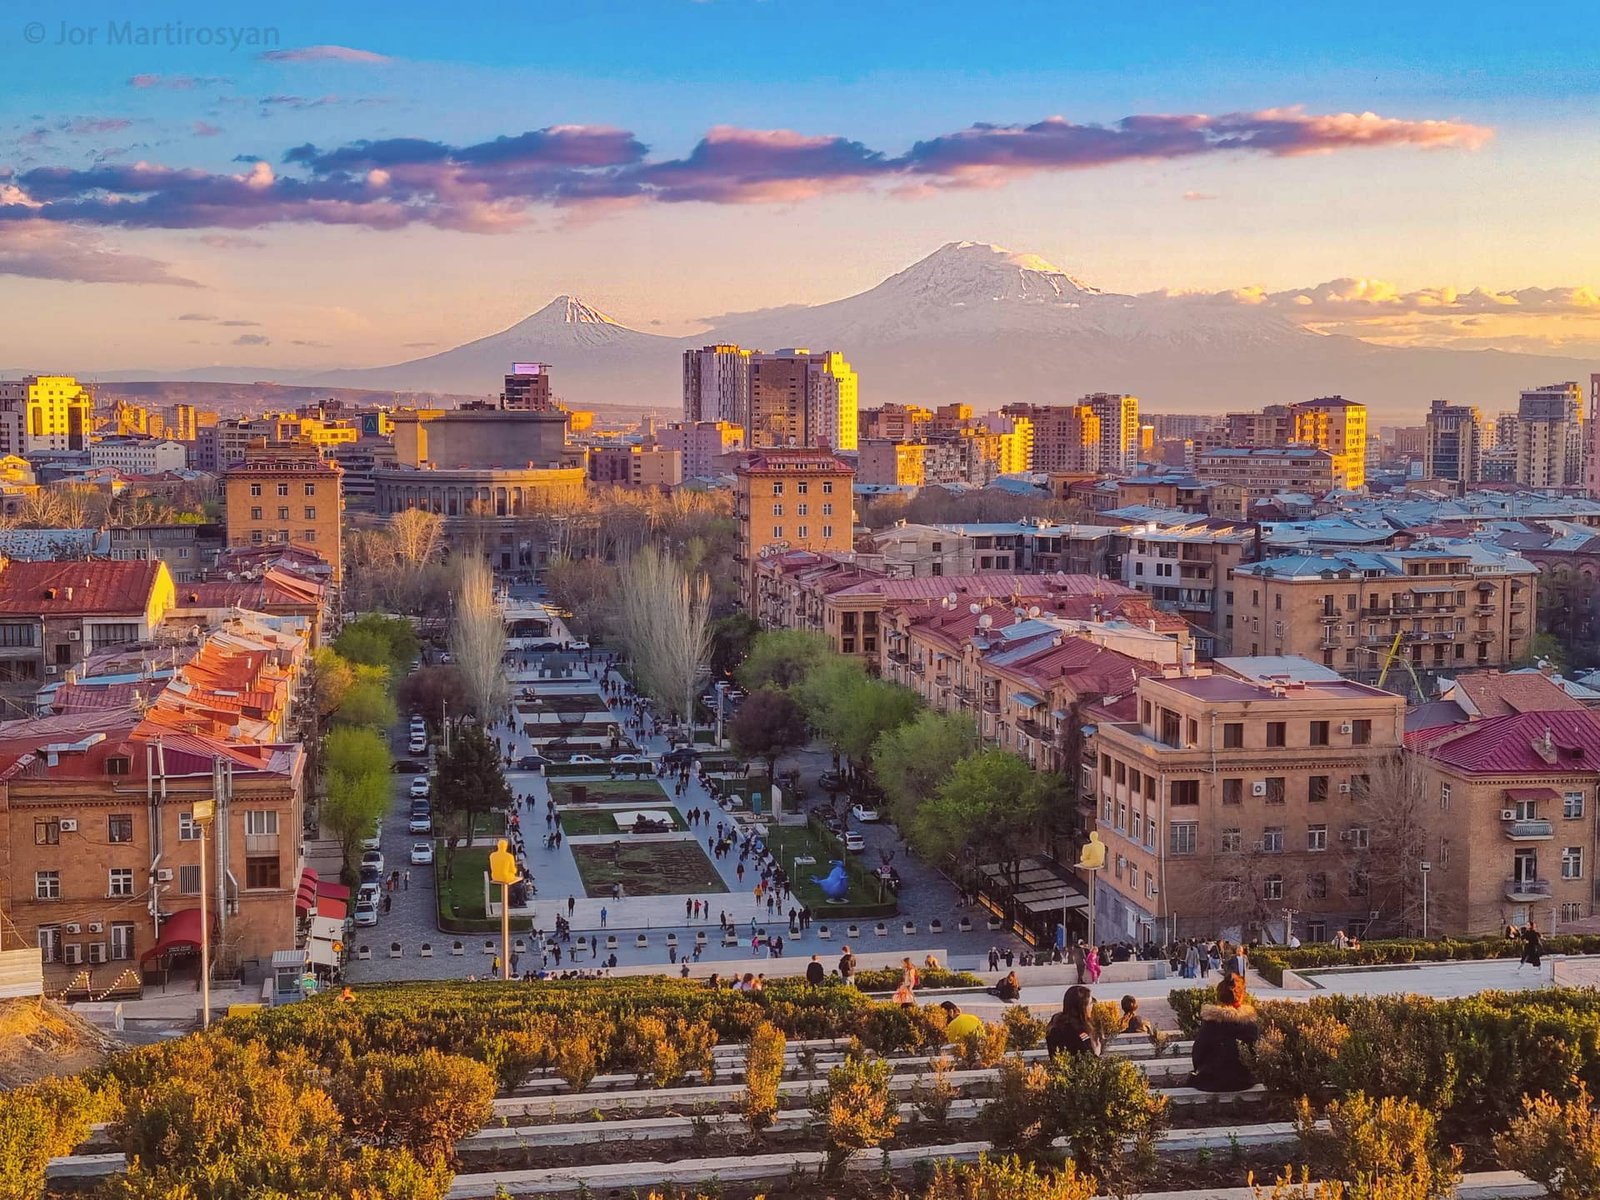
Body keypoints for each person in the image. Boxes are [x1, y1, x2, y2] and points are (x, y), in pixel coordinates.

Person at [1189, 973, 1260, 1092]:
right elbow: (1255, 1054)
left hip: (1212, 1080)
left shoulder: (1210, 1023)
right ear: (1242, 995)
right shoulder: (1249, 1024)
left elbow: (1197, 1054)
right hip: (1242, 1081)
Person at [1045, 984, 1100, 1056]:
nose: (1092, 1006)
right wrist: (1096, 1052)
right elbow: (1088, 1061)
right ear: (1082, 1008)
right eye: (1090, 1003)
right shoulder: (1081, 1034)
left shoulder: (1055, 1026)